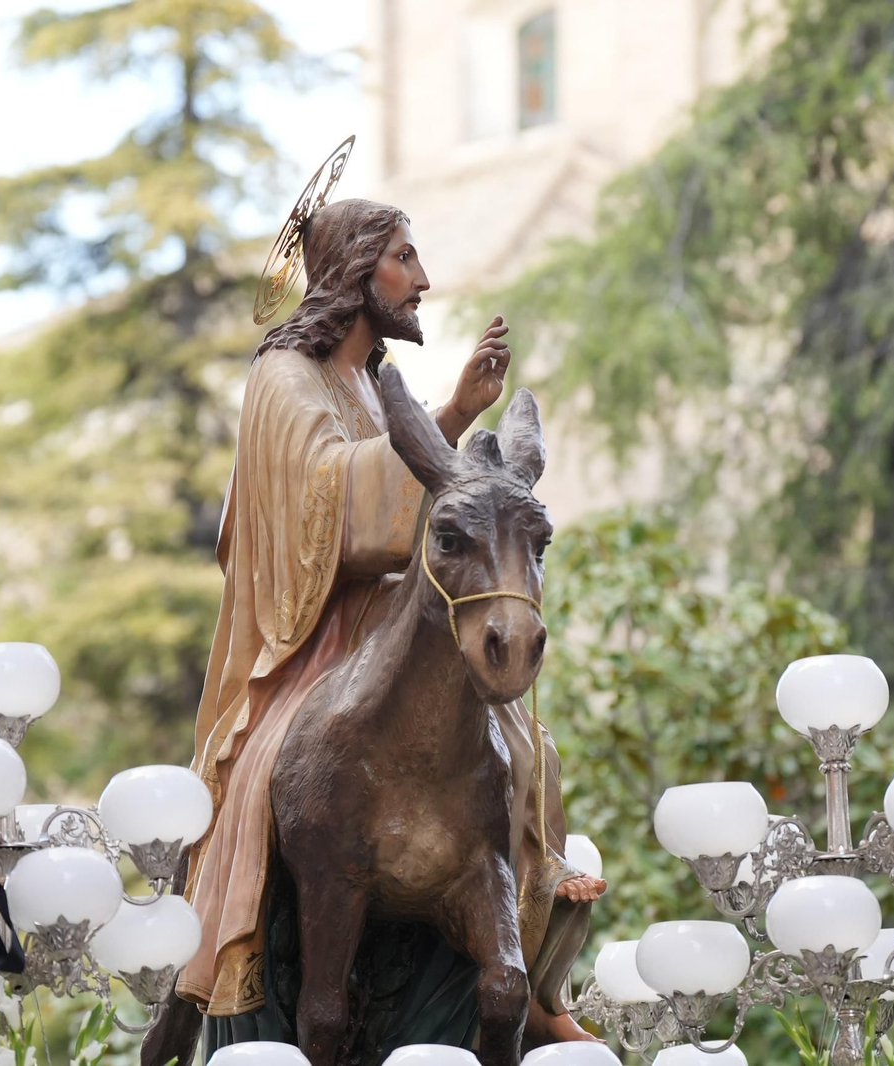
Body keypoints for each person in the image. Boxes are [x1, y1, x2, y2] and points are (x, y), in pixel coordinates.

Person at [175, 197, 605, 1053]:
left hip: (403, 622)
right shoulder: (284, 378)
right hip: (315, 638)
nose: (423, 280)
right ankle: (231, 971)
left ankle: (535, 943)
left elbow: (430, 502)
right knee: (269, 773)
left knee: (525, 740)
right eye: (405, 259)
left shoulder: (370, 388)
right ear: (355, 270)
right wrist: (447, 415)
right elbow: (326, 506)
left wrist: (459, 426)